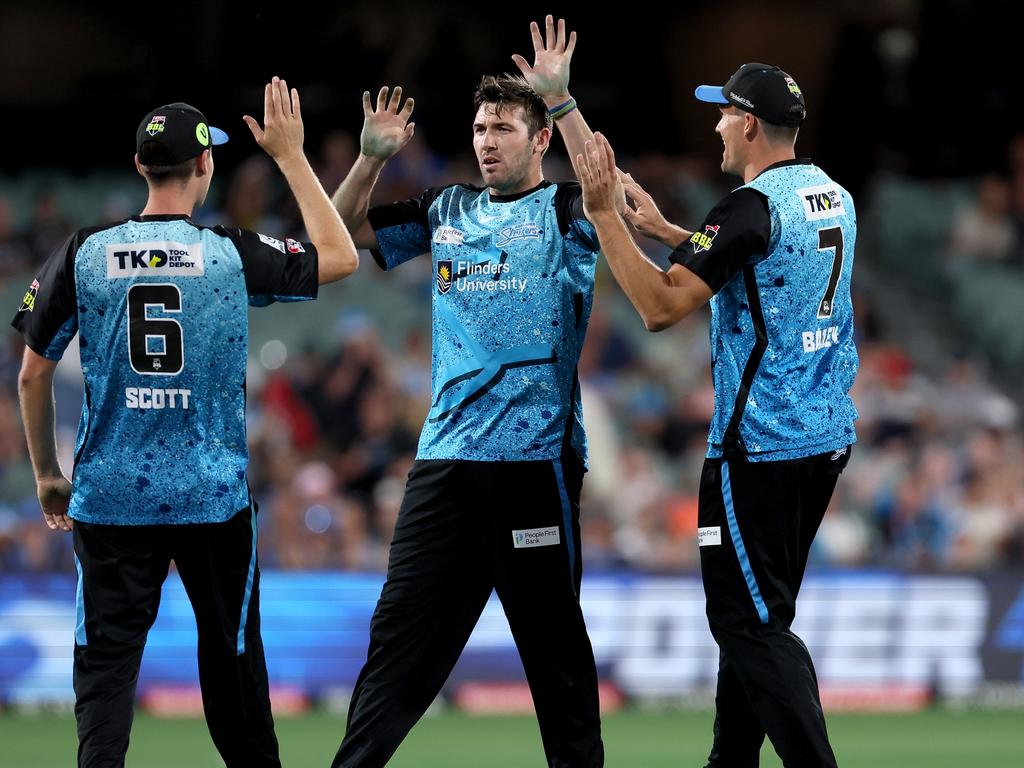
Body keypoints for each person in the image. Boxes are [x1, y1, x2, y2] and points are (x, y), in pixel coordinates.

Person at [13, 77, 358, 768]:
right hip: (212, 501)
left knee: (105, 678)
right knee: (233, 672)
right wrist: (291, 157)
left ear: (141, 166)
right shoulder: (229, 253)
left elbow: (32, 372)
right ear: (205, 166)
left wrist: (49, 475)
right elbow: (341, 256)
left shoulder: (84, 250)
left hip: (110, 499)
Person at [328, 15, 605, 768]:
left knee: (554, 656)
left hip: (532, 465)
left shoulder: (567, 211)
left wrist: (565, 102)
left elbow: (616, 199)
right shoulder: (446, 211)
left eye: (504, 129)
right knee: (397, 642)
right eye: (480, 127)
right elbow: (338, 234)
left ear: (539, 140)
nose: (486, 140)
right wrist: (368, 160)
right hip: (444, 463)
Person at [575, 63, 858, 768]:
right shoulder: (833, 194)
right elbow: (766, 262)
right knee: (759, 618)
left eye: (725, 114)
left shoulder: (746, 206)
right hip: (821, 440)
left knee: (745, 622)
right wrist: (675, 230)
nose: (717, 126)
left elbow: (660, 306)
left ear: (752, 126)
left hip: (757, 446)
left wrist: (607, 215)